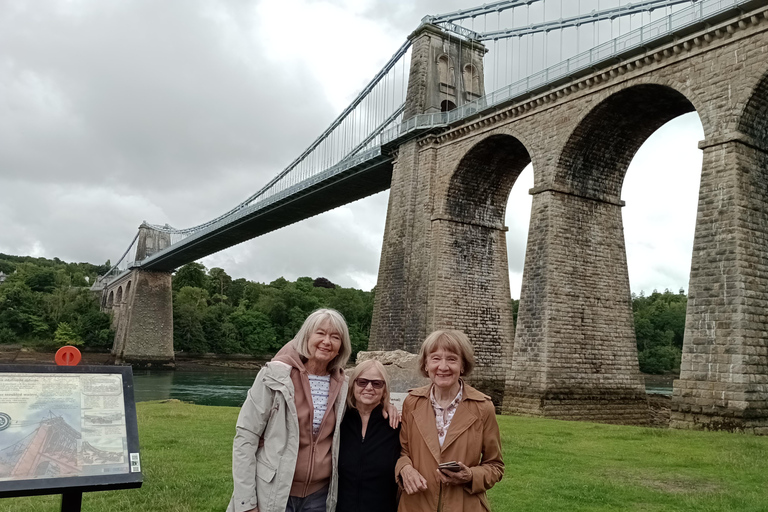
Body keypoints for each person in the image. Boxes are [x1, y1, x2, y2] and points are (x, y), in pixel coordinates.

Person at [228, 308, 352, 512]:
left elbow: (369, 401)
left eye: (335, 336)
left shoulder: (343, 385)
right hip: (274, 491)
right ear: (306, 337)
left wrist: (388, 407)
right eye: (320, 333)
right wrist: (246, 502)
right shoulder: (275, 375)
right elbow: (246, 437)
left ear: (341, 347)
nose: (327, 341)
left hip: (319, 497)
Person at [395, 330, 504, 512]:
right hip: (416, 504)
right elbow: (402, 451)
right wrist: (405, 468)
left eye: (452, 359)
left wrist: (470, 475)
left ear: (462, 365)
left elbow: (495, 466)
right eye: (436, 358)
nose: (443, 367)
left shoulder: (483, 408)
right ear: (426, 365)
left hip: (464, 505)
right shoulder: (411, 402)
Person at [337, 360, 401, 512]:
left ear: (384, 389)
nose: (369, 388)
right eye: (362, 382)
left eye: (377, 383)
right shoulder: (338, 421)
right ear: (352, 385)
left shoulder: (395, 426)